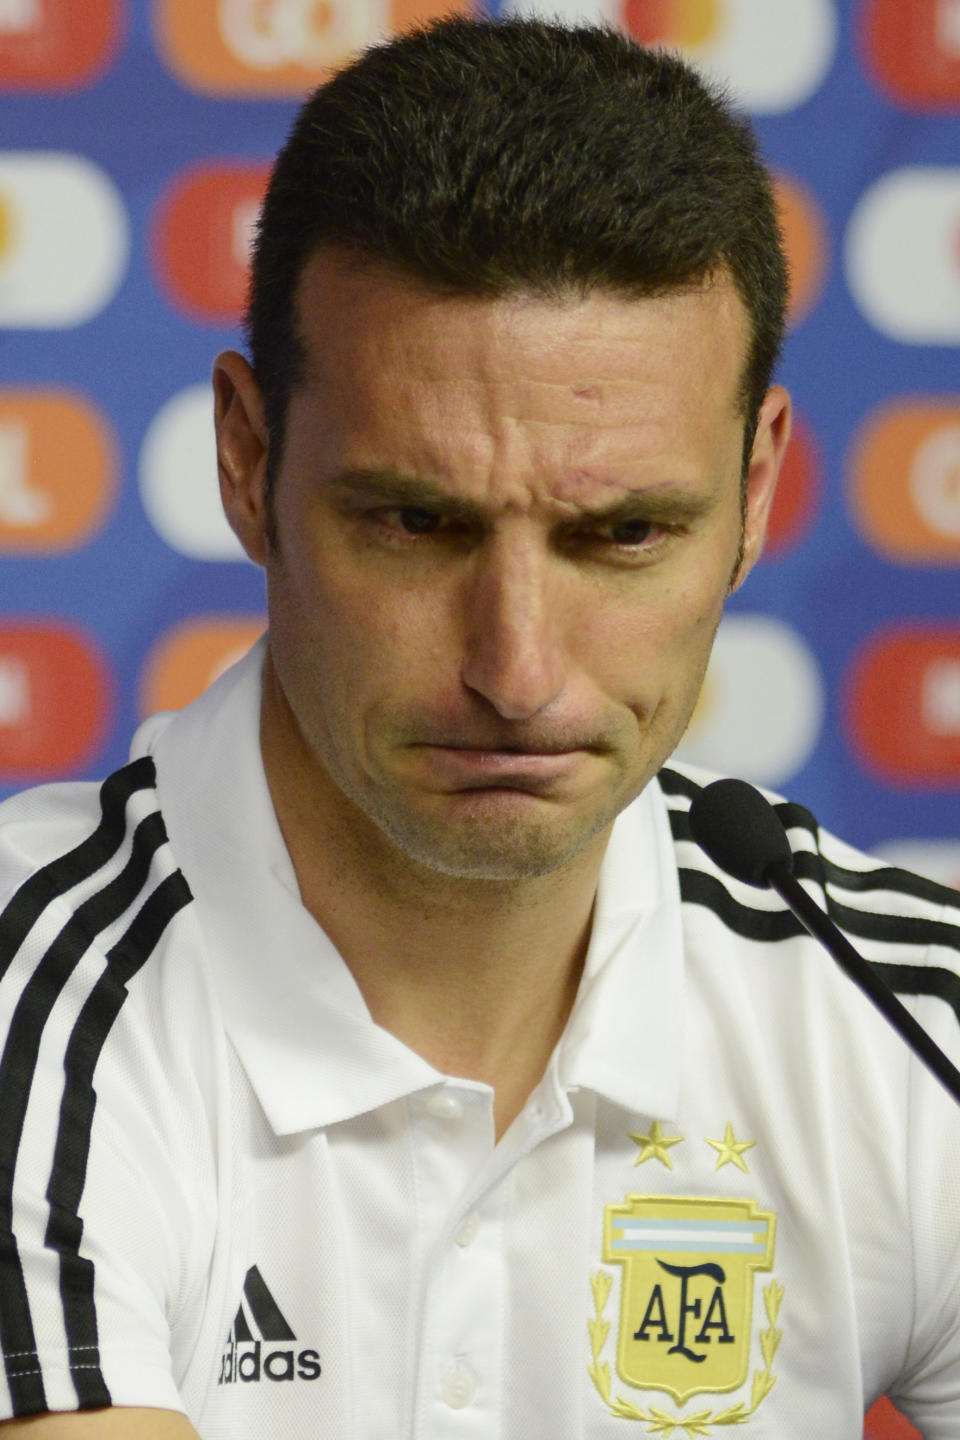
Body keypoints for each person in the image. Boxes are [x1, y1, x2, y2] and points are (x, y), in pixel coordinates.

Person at [0, 15, 958, 1439]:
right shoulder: (27, 992)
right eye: (417, 522)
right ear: (249, 466)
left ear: (756, 492)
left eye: (625, 534)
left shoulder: (905, 1011)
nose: (518, 669)